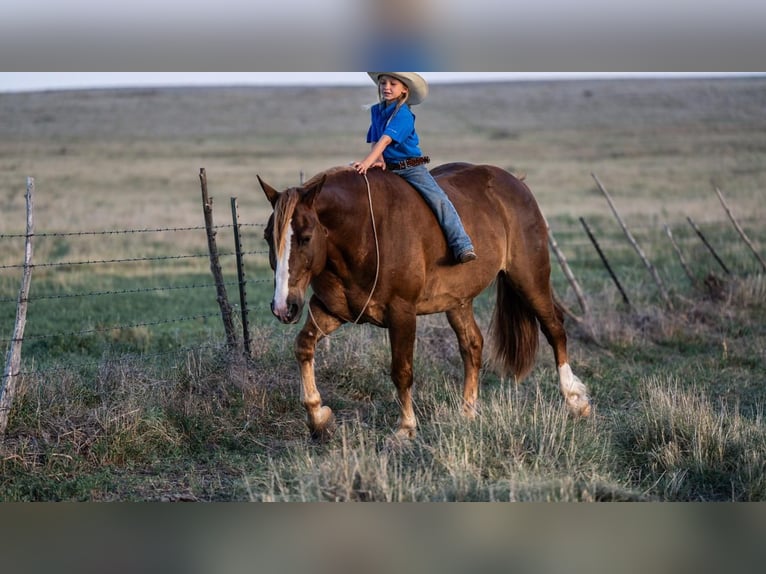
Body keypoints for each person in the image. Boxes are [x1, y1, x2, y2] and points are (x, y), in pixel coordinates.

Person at [353, 72, 477, 264]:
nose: (386, 87)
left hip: (411, 167)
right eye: (383, 83)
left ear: (404, 90)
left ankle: (462, 244)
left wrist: (366, 163)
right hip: (388, 167)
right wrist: (378, 160)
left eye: (393, 84)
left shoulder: (404, 114)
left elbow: (386, 140)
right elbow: (375, 139)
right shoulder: (377, 111)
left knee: (438, 199)